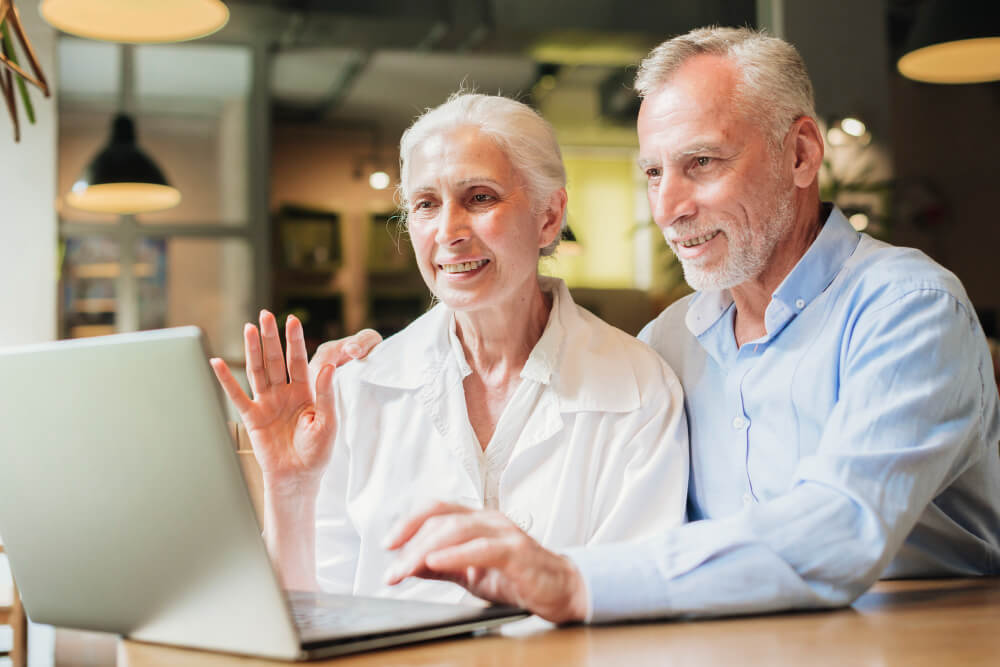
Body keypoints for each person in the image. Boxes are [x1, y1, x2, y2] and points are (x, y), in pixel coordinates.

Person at [377, 27, 1000, 622]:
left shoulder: (908, 308)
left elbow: (843, 526)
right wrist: (378, 363)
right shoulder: (668, 344)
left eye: (700, 162)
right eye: (654, 173)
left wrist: (573, 580)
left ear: (802, 153)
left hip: (917, 638)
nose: (669, 209)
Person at [211, 93, 688, 604]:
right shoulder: (357, 389)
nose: (448, 232)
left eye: (480, 197)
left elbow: (634, 605)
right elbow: (308, 614)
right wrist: (289, 488)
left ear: (549, 216)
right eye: (425, 205)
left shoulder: (639, 388)